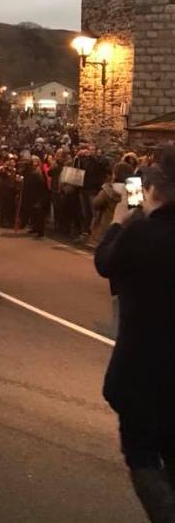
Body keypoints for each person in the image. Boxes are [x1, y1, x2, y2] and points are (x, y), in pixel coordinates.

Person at [95, 148, 175, 522]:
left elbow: (105, 262)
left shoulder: (143, 232)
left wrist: (118, 221)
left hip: (143, 371)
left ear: (157, 189)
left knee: (142, 455)